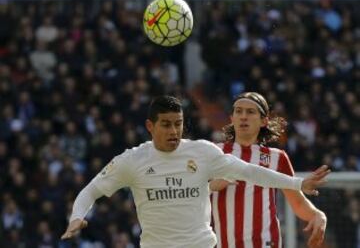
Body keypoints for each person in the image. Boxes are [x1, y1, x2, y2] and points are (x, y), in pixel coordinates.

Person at [61, 95, 330, 248]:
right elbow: (92, 190)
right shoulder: (134, 160)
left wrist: (298, 185)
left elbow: (250, 172)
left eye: (178, 124)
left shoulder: (205, 153)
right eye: (166, 125)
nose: (174, 131)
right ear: (150, 126)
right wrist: (76, 217)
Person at [210, 92, 327, 248]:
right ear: (232, 119)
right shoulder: (214, 153)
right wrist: (213, 185)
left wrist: (317, 214)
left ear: (264, 121)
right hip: (222, 243)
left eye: (250, 112)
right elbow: (195, 192)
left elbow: (297, 203)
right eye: (238, 111)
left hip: (265, 242)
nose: (243, 116)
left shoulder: (277, 157)